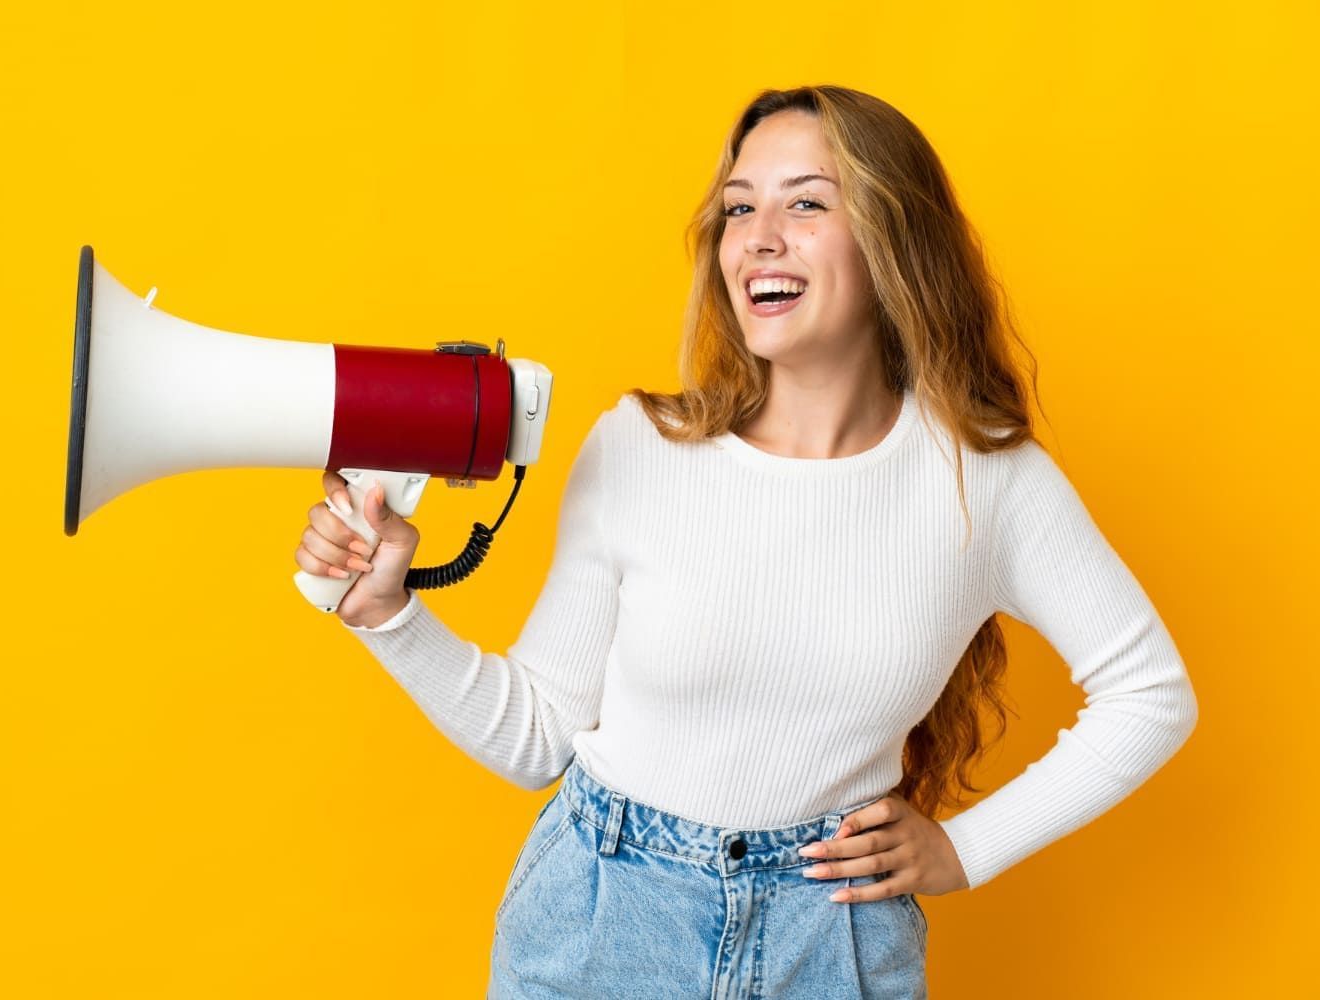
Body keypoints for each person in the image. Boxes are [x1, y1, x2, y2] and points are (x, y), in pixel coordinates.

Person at [293, 84, 1199, 998]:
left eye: (806, 201)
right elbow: (538, 738)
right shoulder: (641, 447)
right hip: (602, 921)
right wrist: (389, 615)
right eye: (738, 208)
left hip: (833, 939)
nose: (759, 235)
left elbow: (1151, 694)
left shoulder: (988, 482)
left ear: (894, 237)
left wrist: (965, 850)